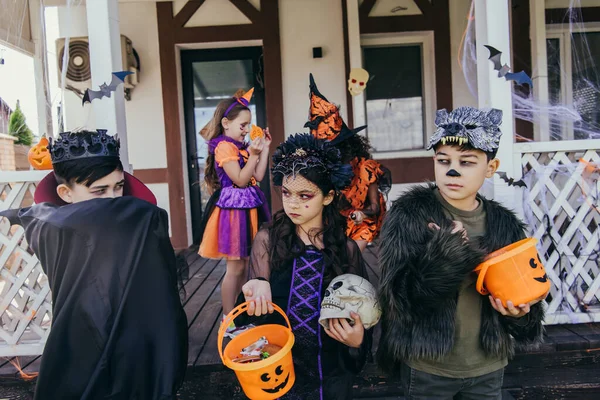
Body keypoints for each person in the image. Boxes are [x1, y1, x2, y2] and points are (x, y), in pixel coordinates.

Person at [0, 129, 188, 400]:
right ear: (65, 193)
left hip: (136, 341)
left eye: (119, 186)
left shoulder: (138, 223)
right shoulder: (56, 227)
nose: (114, 199)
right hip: (84, 335)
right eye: (99, 191)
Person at [376, 107, 546, 399]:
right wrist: (446, 255)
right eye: (444, 161)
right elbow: (397, 298)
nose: (452, 171)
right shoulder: (409, 214)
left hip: (487, 366)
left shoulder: (504, 224)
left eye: (466, 162)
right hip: (429, 366)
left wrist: (520, 314)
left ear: (490, 168)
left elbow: (527, 300)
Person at [239, 133, 373, 399]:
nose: (292, 203)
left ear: (327, 197)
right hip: (279, 370)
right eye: (287, 193)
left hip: (331, 372)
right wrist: (253, 294)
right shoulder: (268, 241)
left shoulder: (346, 250)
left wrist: (358, 340)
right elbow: (249, 321)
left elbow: (362, 314)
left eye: (305, 195)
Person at [197, 88, 271, 333]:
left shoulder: (243, 147)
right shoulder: (224, 148)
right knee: (235, 268)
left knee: (247, 266)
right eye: (243, 125)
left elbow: (256, 176)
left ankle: (240, 315)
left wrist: (265, 149)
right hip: (232, 212)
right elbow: (239, 179)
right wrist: (253, 155)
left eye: (249, 125)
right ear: (226, 123)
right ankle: (228, 320)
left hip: (249, 209)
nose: (246, 130)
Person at [304, 74, 390, 251]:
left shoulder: (366, 168)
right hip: (332, 225)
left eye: (336, 148)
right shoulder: (321, 168)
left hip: (361, 223)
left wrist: (361, 213)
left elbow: (374, 207)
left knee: (352, 257)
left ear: (346, 146)